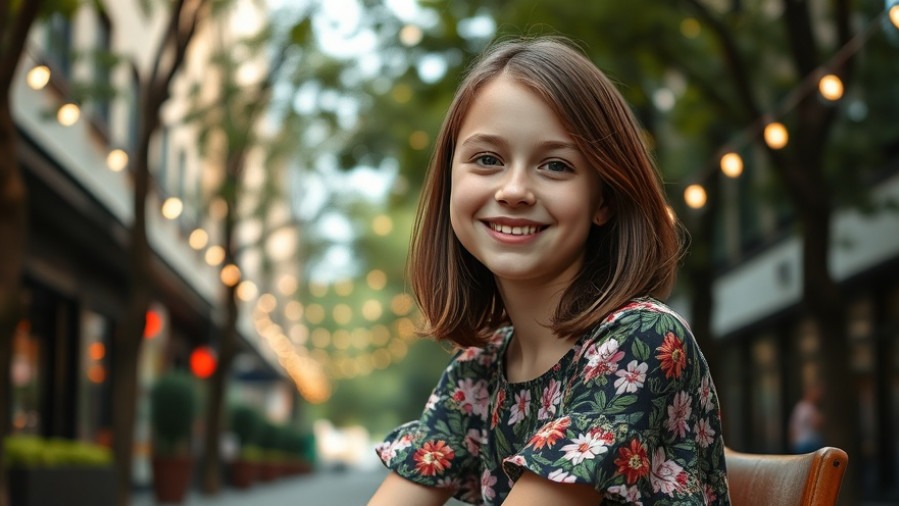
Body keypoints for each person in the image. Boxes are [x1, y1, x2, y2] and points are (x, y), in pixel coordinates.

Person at [368, 36, 730, 505]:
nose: (514, 190)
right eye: (488, 159)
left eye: (555, 166)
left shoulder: (641, 339)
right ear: (450, 179)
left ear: (603, 199)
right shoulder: (479, 372)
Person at [789, 382, 824, 454]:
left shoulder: (799, 407)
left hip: (800, 443)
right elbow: (816, 425)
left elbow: (792, 428)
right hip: (809, 444)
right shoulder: (808, 408)